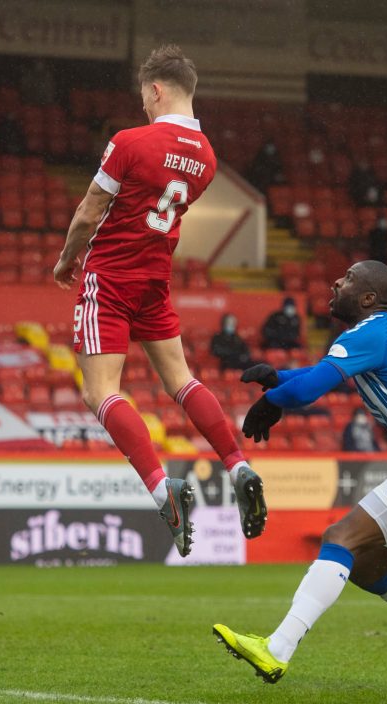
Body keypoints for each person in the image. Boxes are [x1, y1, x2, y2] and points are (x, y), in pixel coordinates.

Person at [212, 261, 387, 685]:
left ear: (367, 298)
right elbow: (314, 375)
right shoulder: (379, 334)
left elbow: (308, 391)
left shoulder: (371, 332)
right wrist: (278, 378)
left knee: (339, 538)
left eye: (346, 279)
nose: (335, 282)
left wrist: (274, 400)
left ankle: (276, 649)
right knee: (364, 567)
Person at [51, 45, 267, 556]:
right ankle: (238, 464)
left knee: (99, 391)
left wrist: (66, 259)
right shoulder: (208, 158)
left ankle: (159, 487)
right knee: (181, 379)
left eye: (144, 98)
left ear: (155, 89)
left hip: (112, 275)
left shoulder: (130, 141)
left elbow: (88, 211)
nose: (144, 107)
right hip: (155, 277)